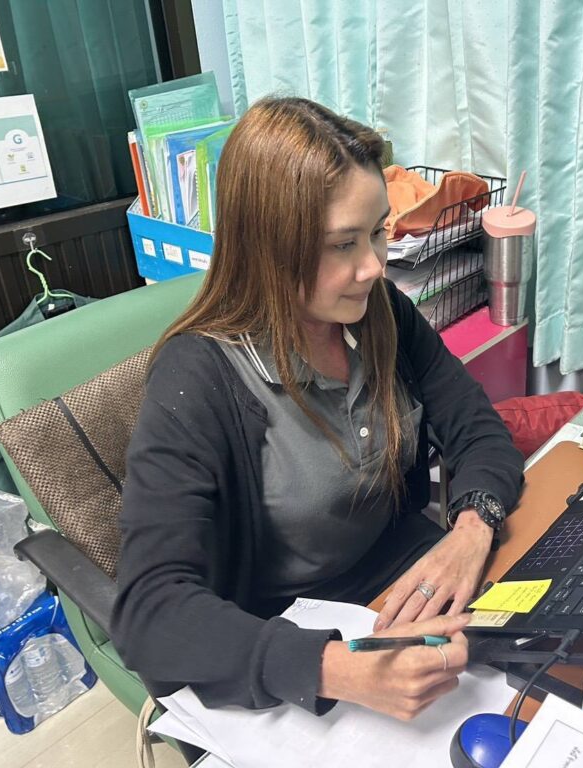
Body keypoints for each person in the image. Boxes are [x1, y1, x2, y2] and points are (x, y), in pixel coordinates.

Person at [111, 97, 524, 726]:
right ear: (268, 249)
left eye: (378, 231)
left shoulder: (380, 312)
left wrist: (472, 530)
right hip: (288, 645)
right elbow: (149, 611)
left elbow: (477, 427)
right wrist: (338, 671)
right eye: (342, 245)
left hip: (403, 584)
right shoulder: (198, 376)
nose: (374, 266)